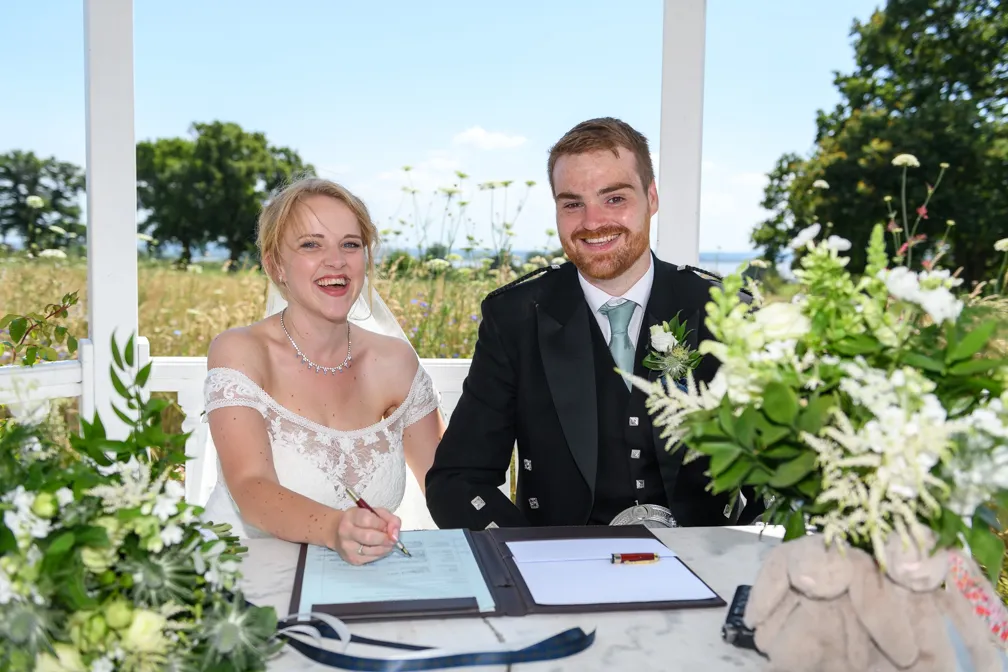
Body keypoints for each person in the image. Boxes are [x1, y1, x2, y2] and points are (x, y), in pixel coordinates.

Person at [425, 117, 762, 531]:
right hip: (560, 576)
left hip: (710, 570)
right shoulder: (515, 317)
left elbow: (781, 477)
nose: (592, 222)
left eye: (614, 198)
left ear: (651, 198)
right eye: (572, 204)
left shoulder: (724, 312)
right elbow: (457, 480)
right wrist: (530, 559)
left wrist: (743, 551)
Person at [201, 176, 445, 564]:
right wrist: (335, 528)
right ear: (274, 264)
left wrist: (510, 542)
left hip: (364, 580)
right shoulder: (241, 352)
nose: (337, 261)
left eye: (350, 245)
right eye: (311, 244)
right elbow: (251, 484)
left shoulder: (395, 362)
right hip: (247, 572)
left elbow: (446, 483)